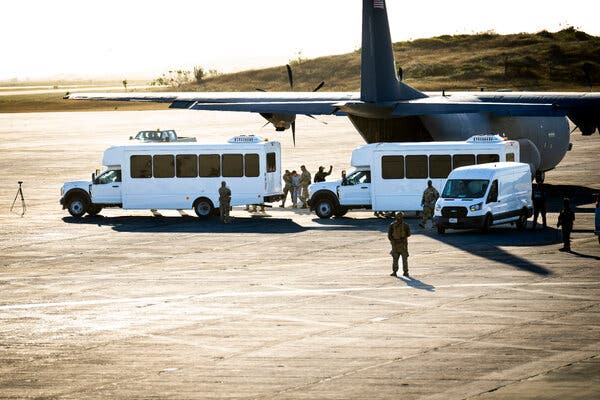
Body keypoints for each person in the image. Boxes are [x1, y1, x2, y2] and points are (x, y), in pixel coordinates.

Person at [388, 212, 411, 277]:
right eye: (398, 216)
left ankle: (405, 272)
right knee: (395, 259)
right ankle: (395, 271)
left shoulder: (405, 225)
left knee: (404, 259)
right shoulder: (392, 225)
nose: (399, 218)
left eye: (400, 216)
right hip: (396, 245)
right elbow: (389, 235)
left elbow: (408, 234)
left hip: (402, 244)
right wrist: (393, 241)